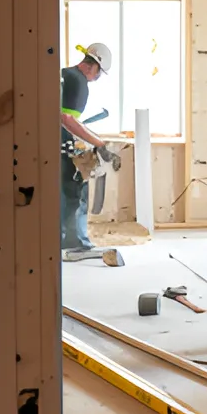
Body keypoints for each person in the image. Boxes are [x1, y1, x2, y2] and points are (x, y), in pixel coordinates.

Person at [60, 42, 116, 260]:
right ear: (95, 67)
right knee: (74, 191)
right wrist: (99, 144)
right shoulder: (80, 82)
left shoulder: (65, 74)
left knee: (62, 193)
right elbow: (66, 119)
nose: (98, 77)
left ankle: (63, 239)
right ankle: (75, 243)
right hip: (60, 146)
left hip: (44, 144)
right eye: (100, 73)